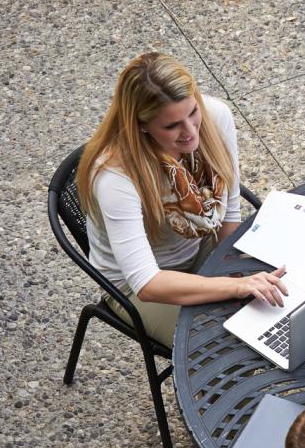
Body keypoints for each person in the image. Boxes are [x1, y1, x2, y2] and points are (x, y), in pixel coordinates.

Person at [77, 52, 288, 345]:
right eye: (172, 126)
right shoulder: (115, 178)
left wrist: (237, 266)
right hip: (140, 285)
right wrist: (236, 285)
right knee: (219, 346)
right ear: (141, 125)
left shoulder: (215, 117)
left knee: (286, 293)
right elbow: (148, 284)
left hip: (200, 245)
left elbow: (227, 215)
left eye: (192, 113)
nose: (190, 133)